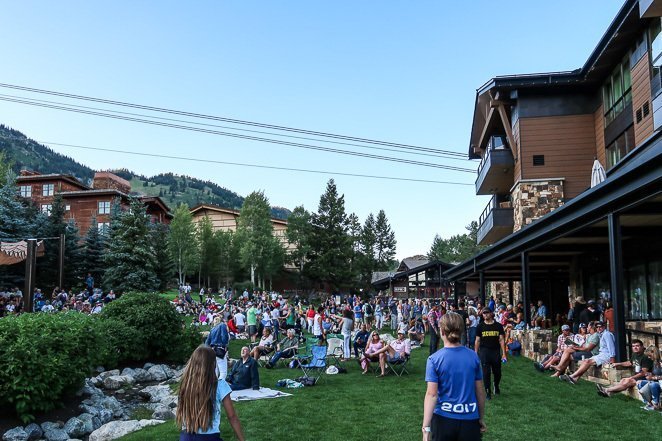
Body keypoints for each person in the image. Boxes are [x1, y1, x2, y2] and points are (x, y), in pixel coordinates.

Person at [423, 312, 486, 441]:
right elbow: (480, 391)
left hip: (443, 421)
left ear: (442, 331)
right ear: (461, 331)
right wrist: (480, 417)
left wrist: (426, 428)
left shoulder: (434, 359)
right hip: (470, 419)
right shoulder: (473, 356)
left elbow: (432, 395)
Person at [176, 345, 245, 441]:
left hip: (186, 436)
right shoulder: (220, 385)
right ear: (212, 363)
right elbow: (232, 416)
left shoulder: (186, 385)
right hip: (209, 437)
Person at [474, 307, 506, 399]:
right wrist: (475, 353)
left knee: (497, 372)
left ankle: (496, 385)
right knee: (486, 372)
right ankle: (488, 391)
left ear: (491, 313)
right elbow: (477, 340)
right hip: (484, 352)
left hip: (495, 351)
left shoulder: (498, 326)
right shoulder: (480, 326)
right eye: (483, 313)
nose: (485, 314)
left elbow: (501, 340)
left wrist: (504, 353)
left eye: (487, 313)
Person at [636, 346, 662, 411]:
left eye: (650, 355)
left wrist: (653, 377)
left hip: (660, 383)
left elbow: (657, 377)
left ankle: (656, 404)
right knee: (640, 383)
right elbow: (656, 374)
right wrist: (650, 374)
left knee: (653, 385)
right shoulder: (655, 362)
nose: (649, 357)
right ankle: (649, 403)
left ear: (654, 353)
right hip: (657, 381)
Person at [205, 316, 230, 380]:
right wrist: (225, 345)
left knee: (215, 372)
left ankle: (213, 387)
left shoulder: (212, 329)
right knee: (223, 373)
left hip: (212, 350)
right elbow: (224, 336)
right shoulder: (222, 325)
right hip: (219, 349)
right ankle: (220, 388)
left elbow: (207, 342)